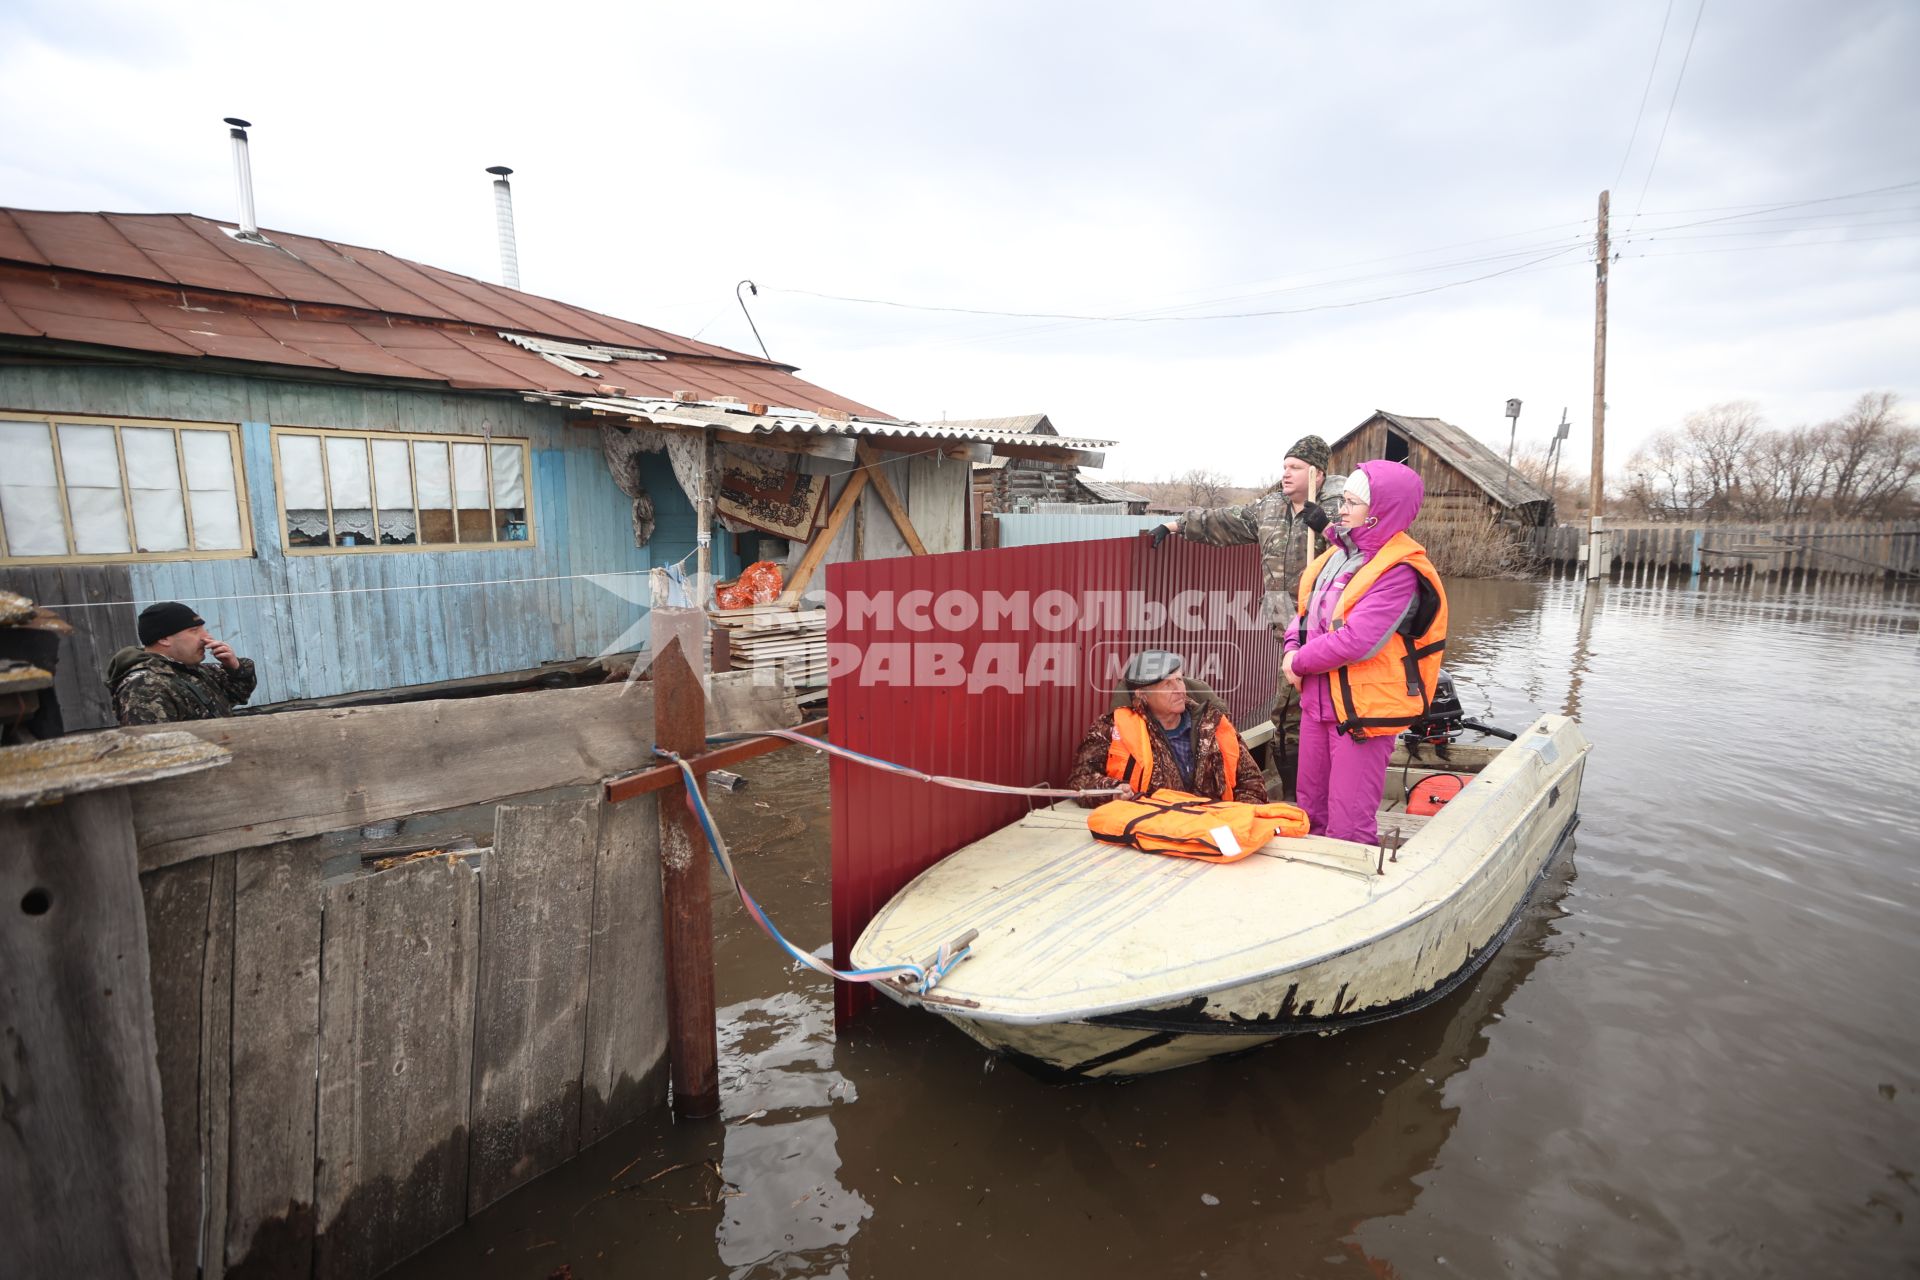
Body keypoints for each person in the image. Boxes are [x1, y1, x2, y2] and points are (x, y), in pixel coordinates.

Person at [1150, 435, 1346, 798]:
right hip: (1287, 631)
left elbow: (1366, 552)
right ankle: (1297, 796)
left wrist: (1328, 529)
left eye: (1295, 468)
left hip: (1330, 632)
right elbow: (1223, 521)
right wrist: (1176, 526)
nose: (1286, 474)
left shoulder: (1341, 509)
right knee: (1289, 715)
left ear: (1317, 475)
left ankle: (1310, 797)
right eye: (1285, 466)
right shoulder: (1271, 508)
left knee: (1301, 715)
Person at [1282, 460, 1448, 845]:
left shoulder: (1399, 570)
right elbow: (1306, 614)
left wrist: (1298, 662)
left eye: (1353, 502)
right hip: (1318, 704)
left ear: (1379, 512)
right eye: (1344, 500)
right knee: (1311, 811)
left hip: (1362, 713)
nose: (1342, 508)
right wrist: (1292, 647)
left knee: (1349, 824)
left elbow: (1359, 640)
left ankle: (1353, 890)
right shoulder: (1336, 556)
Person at [1067, 649, 1268, 808]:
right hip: (1151, 832)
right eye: (1167, 685)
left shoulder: (1213, 724)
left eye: (1179, 680)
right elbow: (1081, 780)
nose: (1179, 689)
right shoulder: (1111, 728)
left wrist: (1236, 818)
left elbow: (1251, 782)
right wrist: (1114, 791)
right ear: (1142, 694)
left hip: (1213, 828)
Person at [108, 601, 258, 725]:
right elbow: (154, 750)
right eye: (194, 630)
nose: (206, 637)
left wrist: (234, 667)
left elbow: (238, 694)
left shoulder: (188, 669)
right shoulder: (145, 686)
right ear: (164, 639)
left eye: (203, 630)